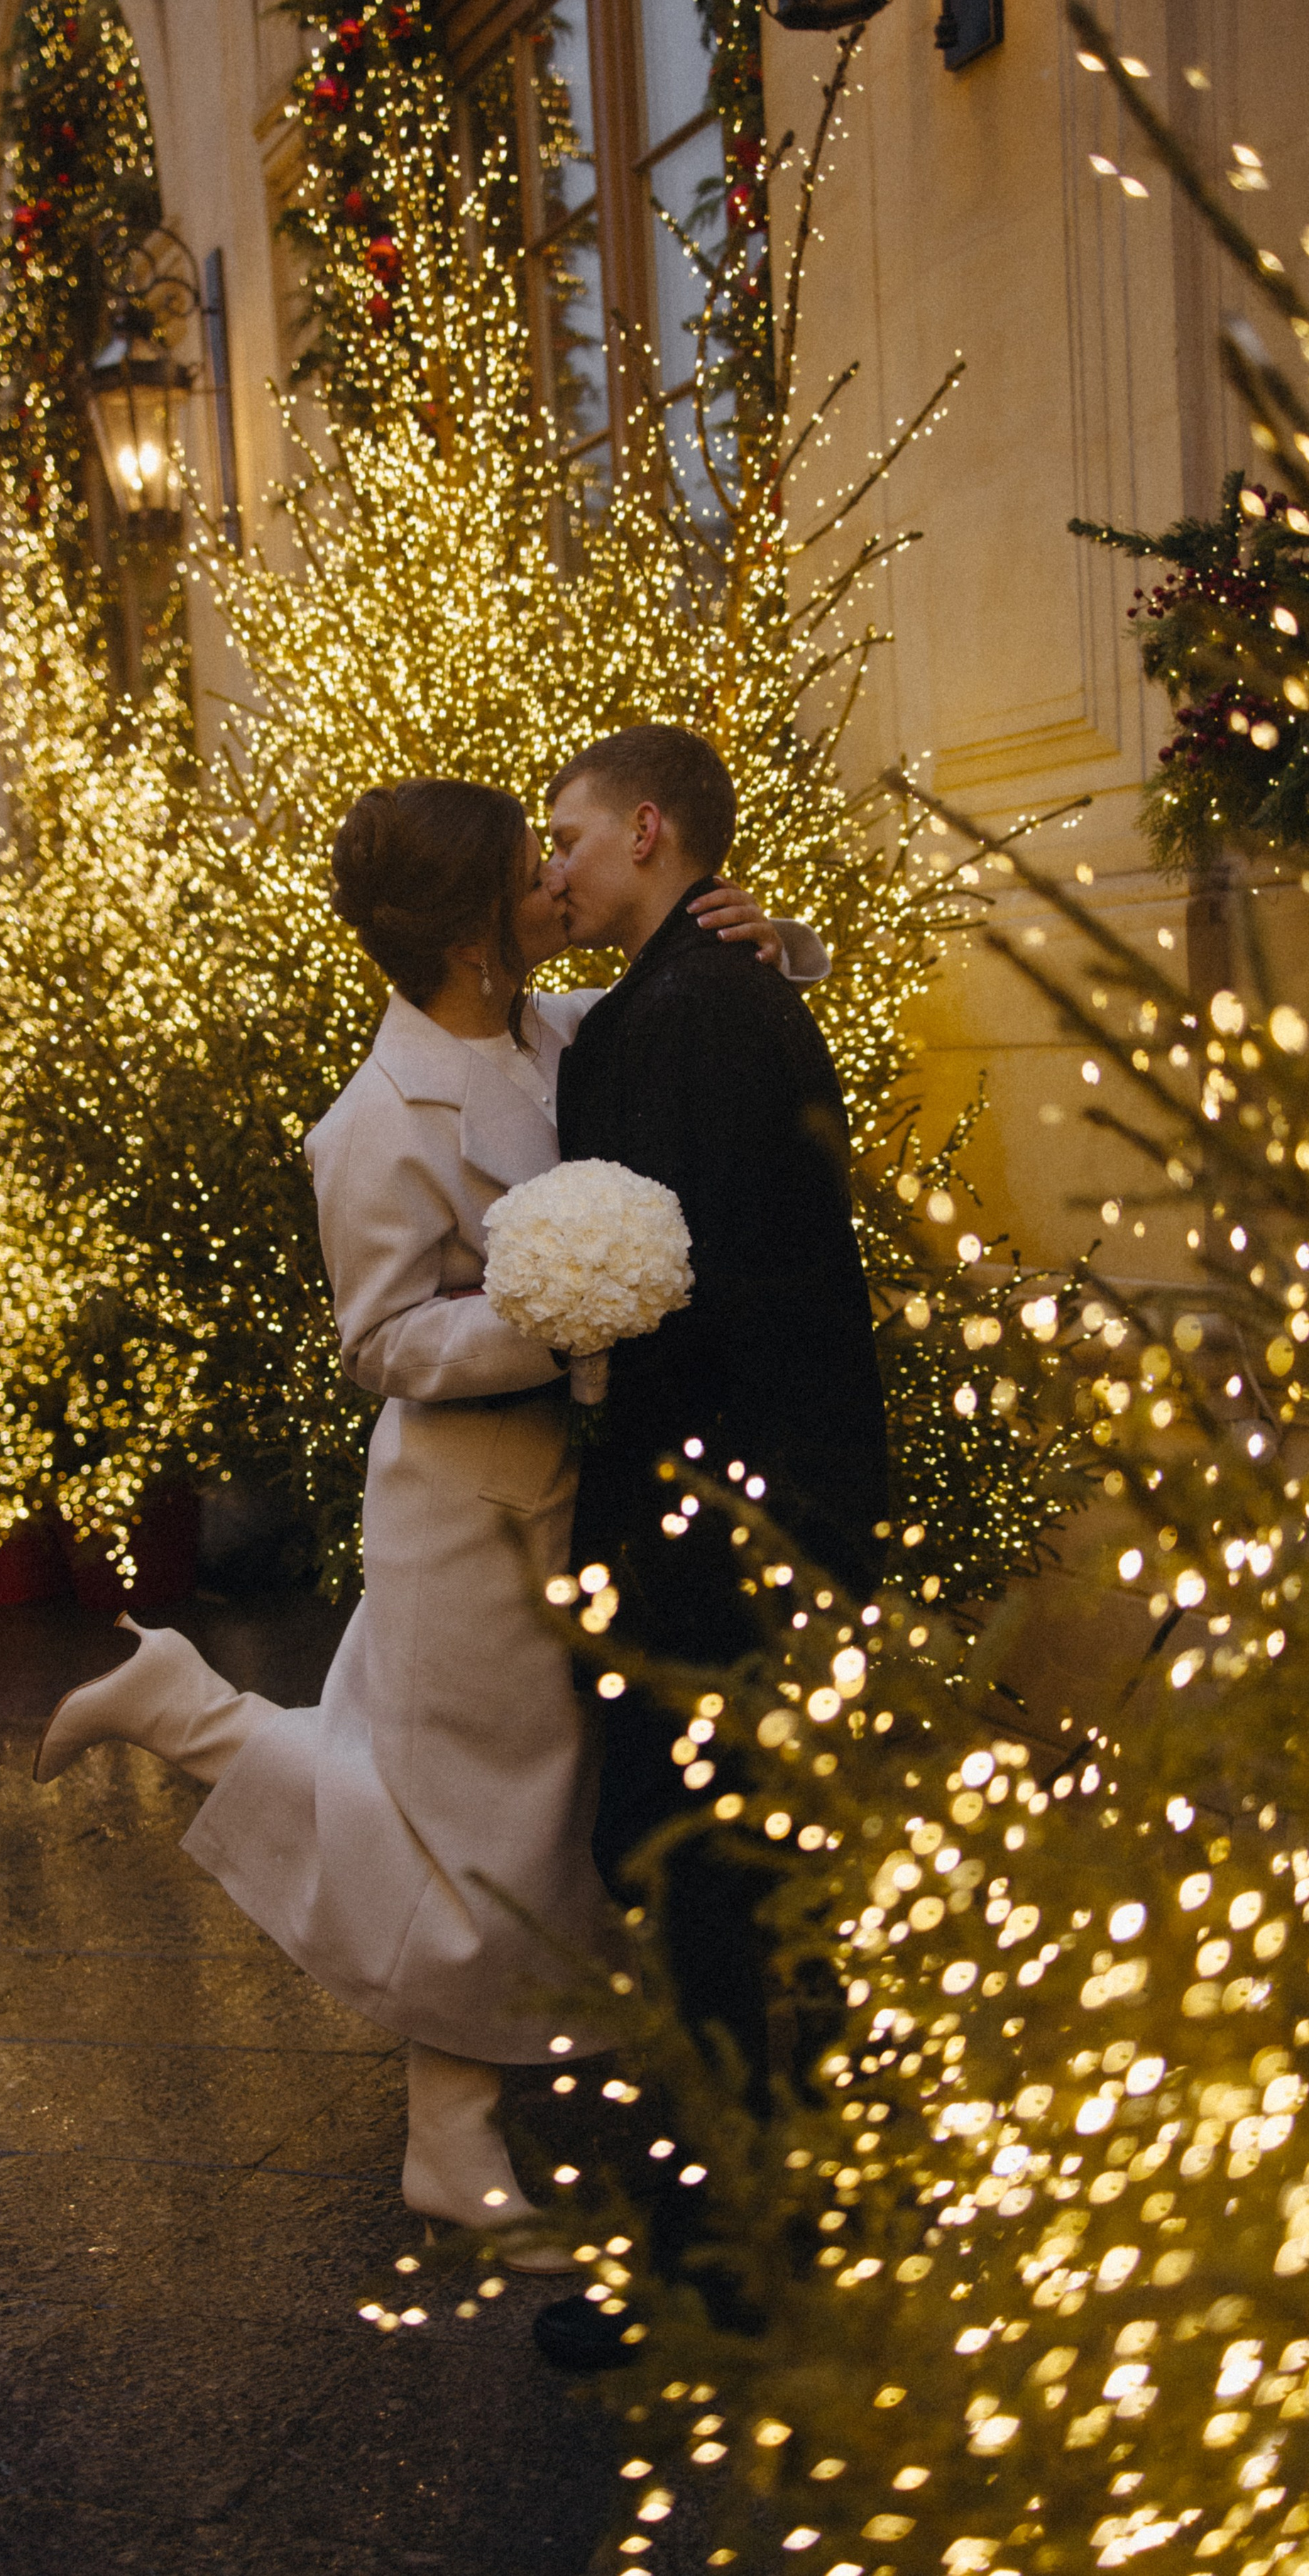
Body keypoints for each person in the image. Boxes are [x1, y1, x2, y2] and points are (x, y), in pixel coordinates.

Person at [32, 777, 819, 2265]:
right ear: (470, 931)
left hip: (571, 1496)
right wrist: (556, 1319)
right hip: (467, 1514)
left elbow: (674, 1011)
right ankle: (192, 1718)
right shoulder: (374, 1122)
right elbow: (380, 1340)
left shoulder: (549, 1027)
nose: (554, 881)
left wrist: (766, 942)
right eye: (528, 871)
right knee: (467, 1825)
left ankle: (447, 2136)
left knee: (513, 1824)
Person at [532, 722, 888, 2367]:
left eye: (568, 837)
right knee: (739, 1872)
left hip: (712, 1507)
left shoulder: (683, 1012)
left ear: (647, 831)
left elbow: (677, 1277)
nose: (554, 869)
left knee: (691, 1876)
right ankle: (783, 2212)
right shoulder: (708, 987)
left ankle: (715, 2258)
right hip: (763, 1495)